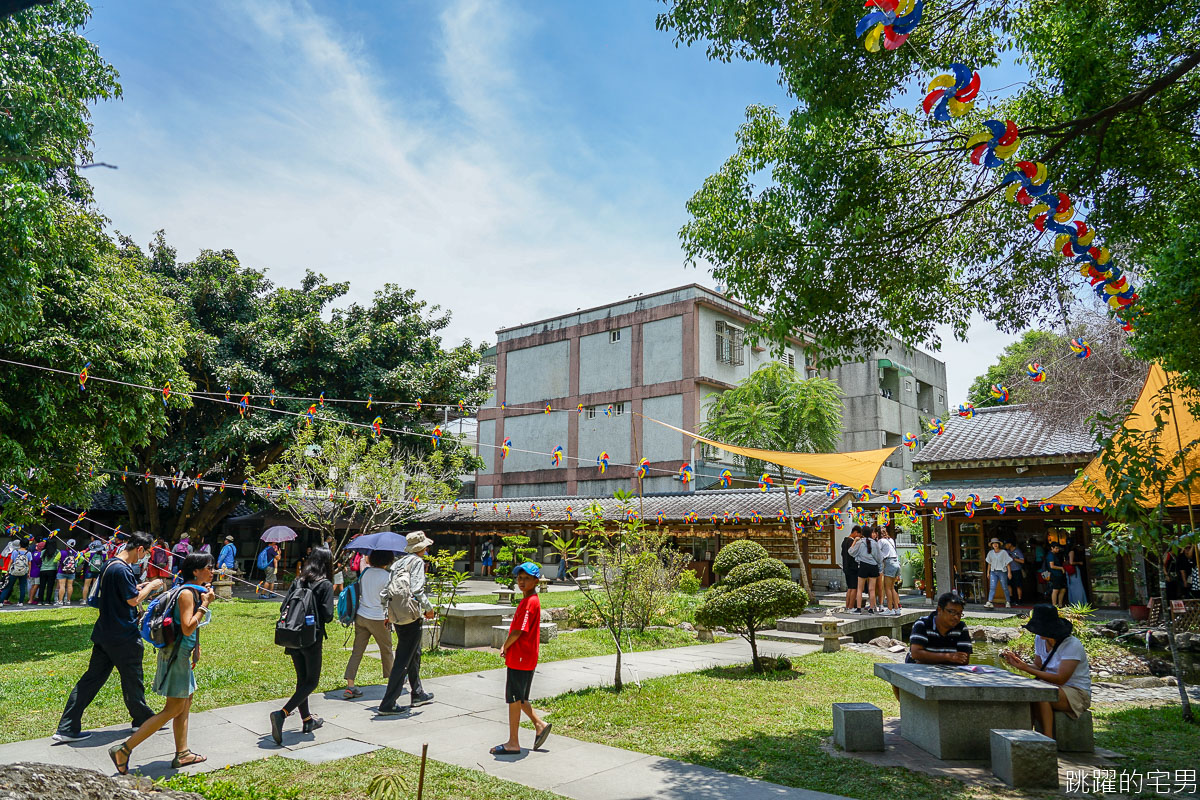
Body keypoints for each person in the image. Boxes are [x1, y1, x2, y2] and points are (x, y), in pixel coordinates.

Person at [108, 552, 215, 773]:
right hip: (176, 658)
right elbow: (187, 626)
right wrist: (204, 606)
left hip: (179, 655)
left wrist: (195, 648)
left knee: (184, 706)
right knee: (173, 708)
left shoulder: (191, 591)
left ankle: (182, 753)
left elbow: (185, 629)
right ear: (196, 571)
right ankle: (124, 749)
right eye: (209, 567)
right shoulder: (188, 593)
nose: (212, 571)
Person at [53, 531, 164, 742]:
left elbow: (119, 592)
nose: (146, 557)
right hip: (123, 634)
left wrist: (136, 587)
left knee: (91, 680)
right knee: (133, 679)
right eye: (147, 552)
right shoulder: (122, 570)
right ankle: (142, 720)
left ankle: (67, 727)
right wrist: (151, 586)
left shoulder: (110, 565)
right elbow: (132, 600)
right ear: (139, 548)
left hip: (105, 633)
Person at [270, 546, 336, 745]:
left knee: (302, 680)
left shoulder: (299, 580)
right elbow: (328, 616)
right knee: (312, 681)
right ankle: (282, 713)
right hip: (311, 638)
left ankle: (307, 720)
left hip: (291, 634)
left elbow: (284, 607)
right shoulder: (324, 584)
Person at [1002, 604, 1091, 739]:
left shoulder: (1072, 645)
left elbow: (1061, 679)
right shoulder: (1040, 639)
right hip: (1051, 686)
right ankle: (1026, 735)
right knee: (1027, 694)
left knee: (1041, 693)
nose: (1037, 632)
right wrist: (1020, 665)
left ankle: (1047, 738)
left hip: (1075, 692)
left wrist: (1025, 668)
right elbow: (1039, 667)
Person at [491, 562, 552, 755]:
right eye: (519, 578)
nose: (522, 581)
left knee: (514, 699)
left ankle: (513, 742)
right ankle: (539, 724)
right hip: (525, 657)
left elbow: (519, 630)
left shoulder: (529, 603)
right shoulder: (529, 600)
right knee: (521, 697)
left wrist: (504, 645)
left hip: (520, 656)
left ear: (536, 581)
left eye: (526, 578)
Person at [377, 532, 438, 715]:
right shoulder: (417, 563)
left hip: (397, 614)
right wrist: (428, 608)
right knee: (403, 658)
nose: (427, 550)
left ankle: (417, 693)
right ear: (421, 548)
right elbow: (418, 589)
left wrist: (386, 613)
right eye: (426, 547)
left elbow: (385, 591)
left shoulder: (397, 563)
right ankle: (388, 703)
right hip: (412, 614)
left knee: (413, 652)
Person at [343, 549, 396, 698]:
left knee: (357, 651)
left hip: (361, 616)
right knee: (386, 650)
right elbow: (390, 598)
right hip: (379, 618)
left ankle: (350, 686)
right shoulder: (387, 576)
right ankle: (393, 682)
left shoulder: (365, 573)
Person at [905, 593, 972, 664]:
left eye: (959, 613)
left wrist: (927, 658)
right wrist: (948, 657)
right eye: (952, 612)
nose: (956, 617)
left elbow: (964, 659)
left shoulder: (961, 627)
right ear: (939, 610)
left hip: (947, 672)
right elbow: (916, 654)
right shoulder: (923, 624)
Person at [849, 528, 881, 613]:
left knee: (860, 589)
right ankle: (871, 608)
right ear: (871, 534)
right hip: (873, 566)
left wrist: (854, 541)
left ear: (862, 534)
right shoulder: (875, 543)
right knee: (872, 589)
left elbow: (851, 552)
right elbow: (879, 558)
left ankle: (859, 608)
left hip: (863, 566)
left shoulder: (860, 542)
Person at [877, 528, 902, 616]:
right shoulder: (891, 540)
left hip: (889, 563)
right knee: (892, 588)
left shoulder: (880, 541)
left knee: (887, 587)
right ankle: (897, 608)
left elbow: (878, 554)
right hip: (896, 563)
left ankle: (890, 609)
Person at [1, 538, 31, 606]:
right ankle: (20, 602)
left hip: (14, 571)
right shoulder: (28, 553)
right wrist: (29, 572)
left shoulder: (15, 552)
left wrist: (8, 571)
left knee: (8, 586)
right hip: (23, 572)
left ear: (20, 544)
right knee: (22, 587)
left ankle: (1, 602)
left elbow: (11, 562)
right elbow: (29, 563)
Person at [984, 538, 1012, 609]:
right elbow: (989, 563)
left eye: (996, 543)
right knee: (992, 587)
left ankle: (1008, 601)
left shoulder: (1003, 552)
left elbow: (1007, 563)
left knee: (1004, 587)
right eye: (993, 544)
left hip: (1002, 571)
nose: (995, 545)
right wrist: (988, 572)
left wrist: (1009, 572)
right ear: (992, 545)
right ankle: (989, 602)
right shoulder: (990, 553)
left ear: (999, 544)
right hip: (993, 571)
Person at [80, 537, 107, 604]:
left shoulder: (90, 553)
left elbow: (82, 557)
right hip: (98, 571)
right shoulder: (104, 553)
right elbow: (105, 561)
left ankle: (84, 600)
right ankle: (93, 599)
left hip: (89, 571)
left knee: (86, 585)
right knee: (95, 586)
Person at [840, 527, 861, 612]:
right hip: (853, 567)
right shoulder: (852, 542)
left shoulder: (844, 541)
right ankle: (851, 607)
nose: (860, 536)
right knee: (854, 588)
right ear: (856, 533)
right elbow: (853, 553)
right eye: (859, 534)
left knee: (849, 588)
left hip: (845, 567)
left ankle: (847, 606)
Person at [56, 538, 80, 605]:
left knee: (62, 586)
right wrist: (75, 565)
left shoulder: (61, 552)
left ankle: (60, 601)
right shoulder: (76, 553)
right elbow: (80, 560)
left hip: (62, 571)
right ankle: (68, 600)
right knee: (70, 586)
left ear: (67, 545)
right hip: (72, 571)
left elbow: (55, 560)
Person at [1066, 540, 1088, 606]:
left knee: (1072, 588)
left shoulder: (1066, 552)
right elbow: (1071, 562)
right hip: (1074, 570)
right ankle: (1080, 603)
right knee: (1078, 587)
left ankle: (1074, 603)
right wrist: (1079, 563)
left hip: (1069, 571)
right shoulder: (1072, 551)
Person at [1004, 540, 1026, 604]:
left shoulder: (1017, 551)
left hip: (1017, 570)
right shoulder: (1006, 551)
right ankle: (1011, 599)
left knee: (1018, 585)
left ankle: (1019, 599)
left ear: (1010, 544)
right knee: (1009, 584)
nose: (1005, 546)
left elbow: (1022, 561)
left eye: (1006, 544)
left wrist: (1013, 558)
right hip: (1008, 570)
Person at [1046, 541, 1067, 607]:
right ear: (1052, 548)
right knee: (1055, 590)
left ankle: (1060, 604)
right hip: (1054, 574)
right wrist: (1061, 568)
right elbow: (1052, 566)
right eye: (1056, 548)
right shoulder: (1050, 555)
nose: (1057, 550)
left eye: (1058, 548)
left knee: (1063, 589)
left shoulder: (1054, 555)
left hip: (1059, 574)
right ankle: (1054, 606)